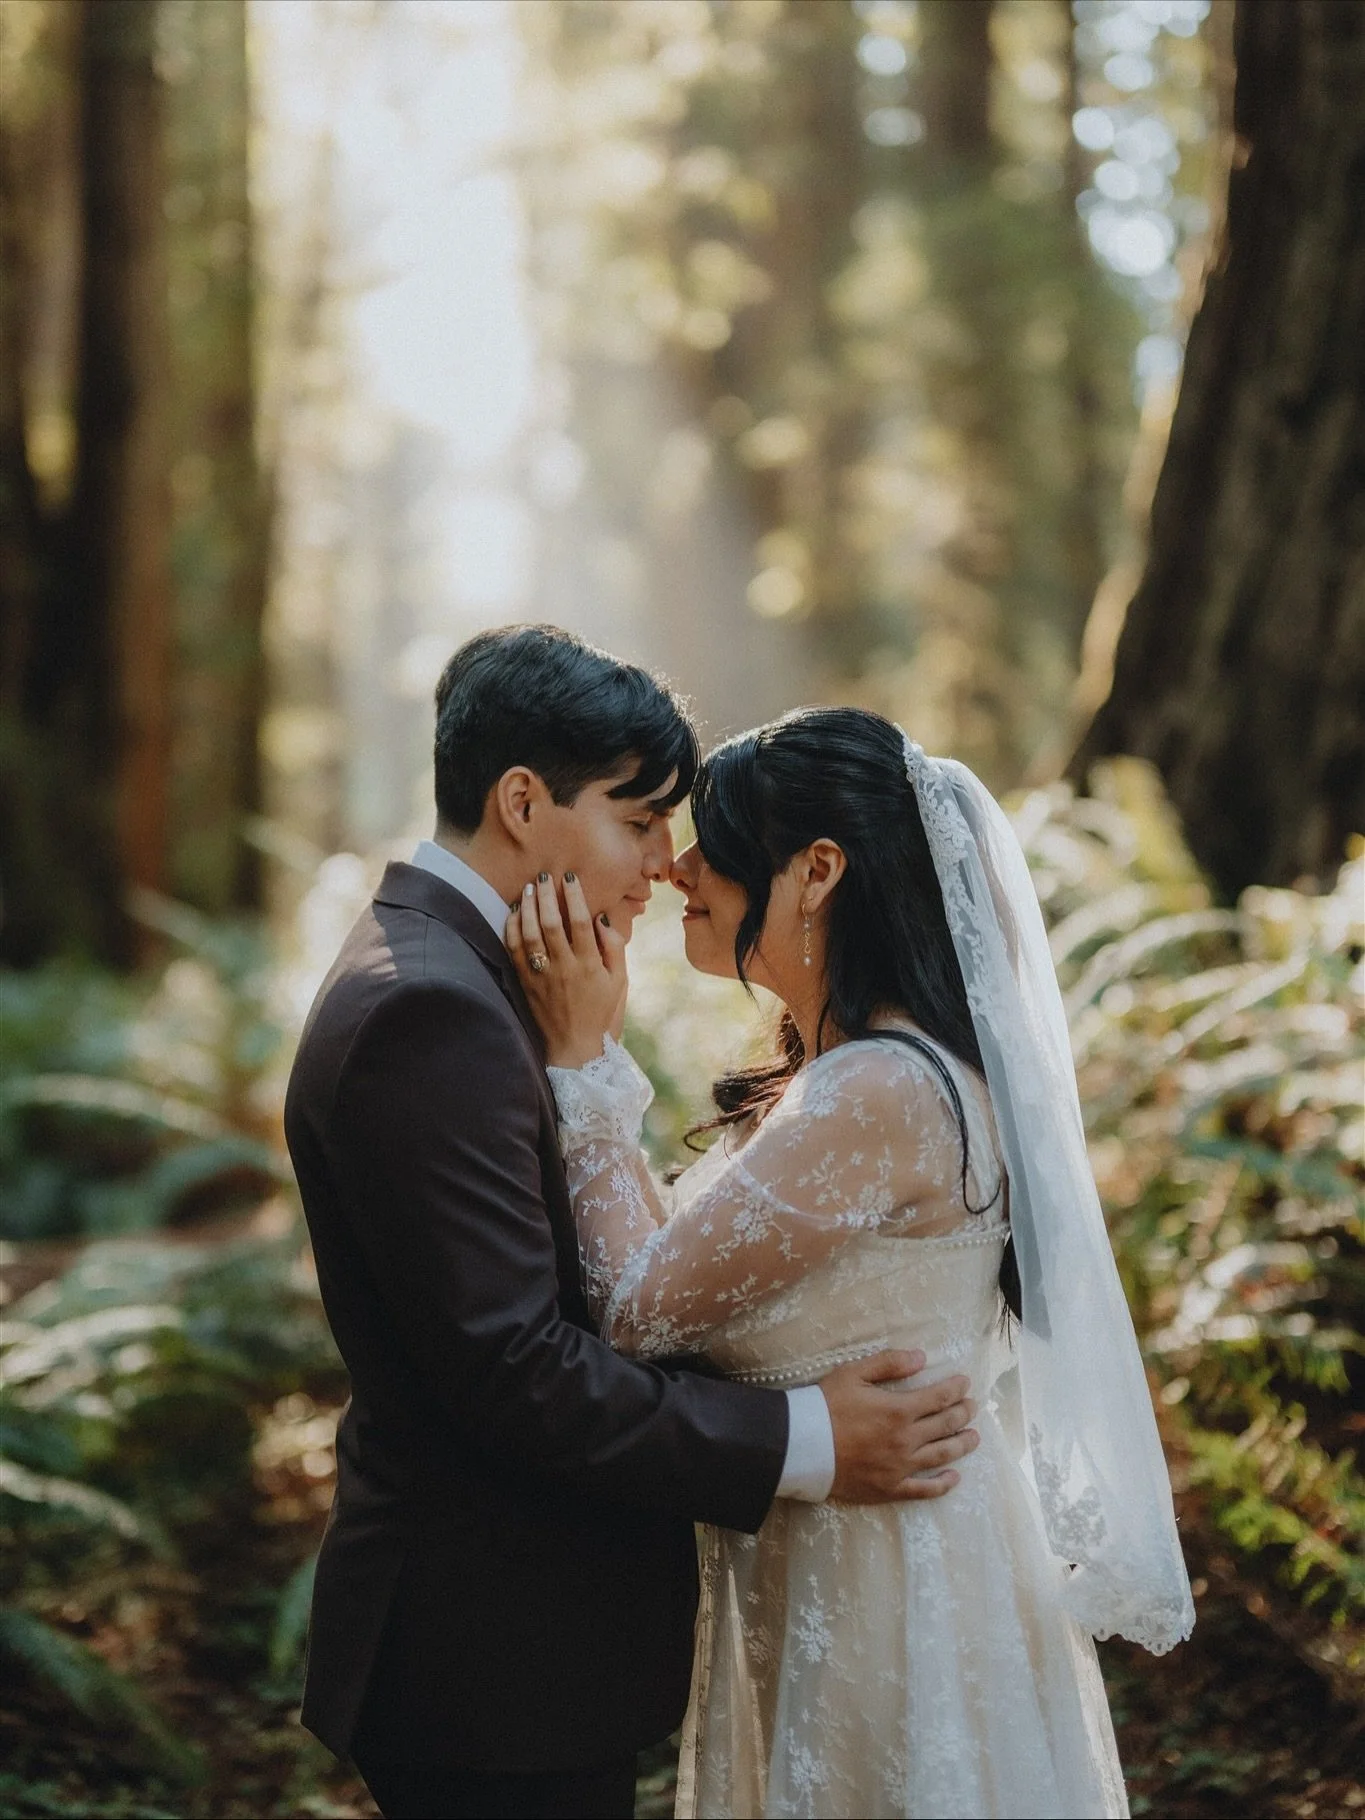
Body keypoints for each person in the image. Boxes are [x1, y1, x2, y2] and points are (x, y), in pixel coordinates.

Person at [283, 631, 981, 1820]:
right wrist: (807, 1440)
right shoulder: (433, 1011)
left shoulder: (467, 975)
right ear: (521, 802)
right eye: (639, 819)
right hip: (492, 1658)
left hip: (527, 1651)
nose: (664, 864)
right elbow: (519, 1369)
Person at [508, 704, 1195, 1819]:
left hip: (892, 1582)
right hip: (861, 1551)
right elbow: (673, 1266)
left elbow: (634, 1308)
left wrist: (582, 1060)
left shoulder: (878, 1091)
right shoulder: (853, 1077)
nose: (679, 863)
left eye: (714, 832)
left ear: (817, 869)